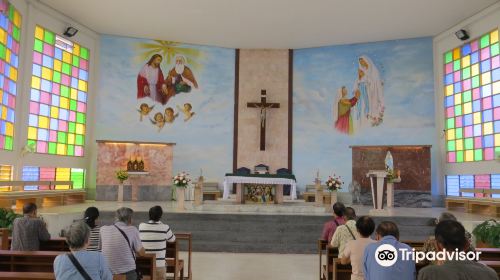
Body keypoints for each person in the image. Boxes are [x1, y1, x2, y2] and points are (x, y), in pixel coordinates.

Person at [418, 220, 498, 280]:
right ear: (466, 245)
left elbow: (420, 260)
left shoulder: (428, 274)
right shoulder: (490, 274)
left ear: (438, 246)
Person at [100, 207, 145, 279]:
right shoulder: (132, 230)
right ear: (130, 219)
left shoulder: (103, 229)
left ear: (116, 218)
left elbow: (100, 250)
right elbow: (141, 253)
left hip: (107, 274)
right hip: (128, 274)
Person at [139, 206, 176, 280]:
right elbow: (173, 239)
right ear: (160, 216)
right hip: (159, 265)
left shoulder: (141, 226)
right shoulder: (165, 227)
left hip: (143, 265)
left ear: (149, 215)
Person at [341, 216, 376, 280]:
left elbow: (343, 261)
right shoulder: (377, 245)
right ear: (373, 230)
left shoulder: (351, 244)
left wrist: (353, 258)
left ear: (357, 229)